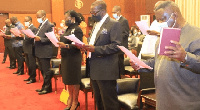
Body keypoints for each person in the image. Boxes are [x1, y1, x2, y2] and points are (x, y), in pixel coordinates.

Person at [130, 1, 200, 109]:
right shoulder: (163, 36)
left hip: (185, 103)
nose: (160, 23)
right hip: (163, 101)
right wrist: (141, 65)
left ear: (175, 15)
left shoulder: (196, 35)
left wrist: (185, 57)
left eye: (163, 19)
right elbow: (157, 61)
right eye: (158, 20)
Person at [79, 1, 122, 109]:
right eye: (91, 12)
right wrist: (86, 47)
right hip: (94, 67)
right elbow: (94, 43)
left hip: (106, 69)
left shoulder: (114, 24)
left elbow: (116, 46)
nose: (92, 15)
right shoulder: (96, 24)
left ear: (102, 11)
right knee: (99, 101)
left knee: (109, 102)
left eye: (94, 12)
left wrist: (95, 49)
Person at [57, 10, 83, 110]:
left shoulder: (77, 29)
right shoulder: (68, 29)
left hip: (73, 58)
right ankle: (71, 98)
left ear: (72, 18)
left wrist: (66, 45)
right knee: (68, 80)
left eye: (66, 18)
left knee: (74, 80)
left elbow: (79, 45)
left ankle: (75, 101)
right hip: (66, 57)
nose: (65, 20)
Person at [34, 10, 54, 95]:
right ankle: (44, 86)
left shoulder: (49, 25)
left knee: (46, 71)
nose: (37, 18)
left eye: (38, 17)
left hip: (45, 51)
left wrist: (40, 39)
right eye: (37, 17)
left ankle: (47, 88)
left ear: (44, 16)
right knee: (42, 70)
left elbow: (51, 39)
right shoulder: (41, 24)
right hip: (39, 51)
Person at [112, 5, 129, 76]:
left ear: (118, 12)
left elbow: (125, 33)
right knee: (116, 61)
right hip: (115, 45)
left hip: (121, 44)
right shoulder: (114, 21)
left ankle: (122, 75)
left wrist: (116, 38)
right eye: (112, 12)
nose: (113, 14)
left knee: (120, 61)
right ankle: (117, 75)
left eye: (114, 12)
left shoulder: (123, 20)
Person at [22, 16, 37, 84]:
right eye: (24, 21)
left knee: (31, 63)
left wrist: (24, 36)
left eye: (26, 21)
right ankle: (30, 76)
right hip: (26, 47)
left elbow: (32, 38)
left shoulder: (33, 28)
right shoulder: (27, 28)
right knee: (28, 63)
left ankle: (33, 77)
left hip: (31, 48)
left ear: (30, 21)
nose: (25, 22)